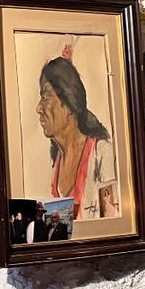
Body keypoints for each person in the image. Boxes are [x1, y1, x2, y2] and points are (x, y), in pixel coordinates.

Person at [37, 48, 118, 221]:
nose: (38, 108)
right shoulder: (57, 159)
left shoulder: (101, 152)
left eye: (45, 96)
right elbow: (65, 229)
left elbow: (112, 220)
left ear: (68, 102)